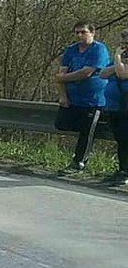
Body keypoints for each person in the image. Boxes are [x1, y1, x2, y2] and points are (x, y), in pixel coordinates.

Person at [54, 21, 109, 174]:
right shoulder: (70, 50)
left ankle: (79, 162)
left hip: (93, 99)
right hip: (73, 98)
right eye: (77, 32)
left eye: (83, 32)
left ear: (92, 33)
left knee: (87, 131)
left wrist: (62, 78)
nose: (79, 35)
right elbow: (61, 73)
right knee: (61, 123)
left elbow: (86, 72)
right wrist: (63, 95)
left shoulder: (99, 49)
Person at [100, 29, 128, 186]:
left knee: (126, 140)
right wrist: (119, 63)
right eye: (123, 43)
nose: (124, 46)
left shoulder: (119, 57)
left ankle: (126, 172)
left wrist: (117, 57)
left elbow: (123, 74)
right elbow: (103, 74)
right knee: (121, 140)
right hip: (115, 108)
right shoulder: (122, 59)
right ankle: (122, 170)